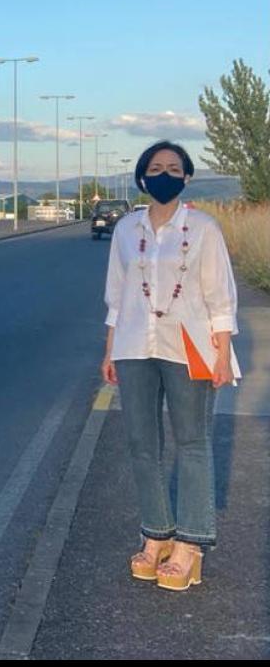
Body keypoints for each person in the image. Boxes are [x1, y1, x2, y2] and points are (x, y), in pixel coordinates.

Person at [102, 140, 241, 592]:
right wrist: (109, 351)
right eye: (156, 167)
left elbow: (220, 296)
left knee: (192, 441)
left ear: (185, 177)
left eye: (173, 167)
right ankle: (155, 533)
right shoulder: (126, 229)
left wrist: (221, 353)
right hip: (133, 346)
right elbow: (117, 295)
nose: (165, 173)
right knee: (142, 444)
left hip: (189, 346)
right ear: (143, 178)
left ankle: (191, 544)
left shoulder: (203, 227)